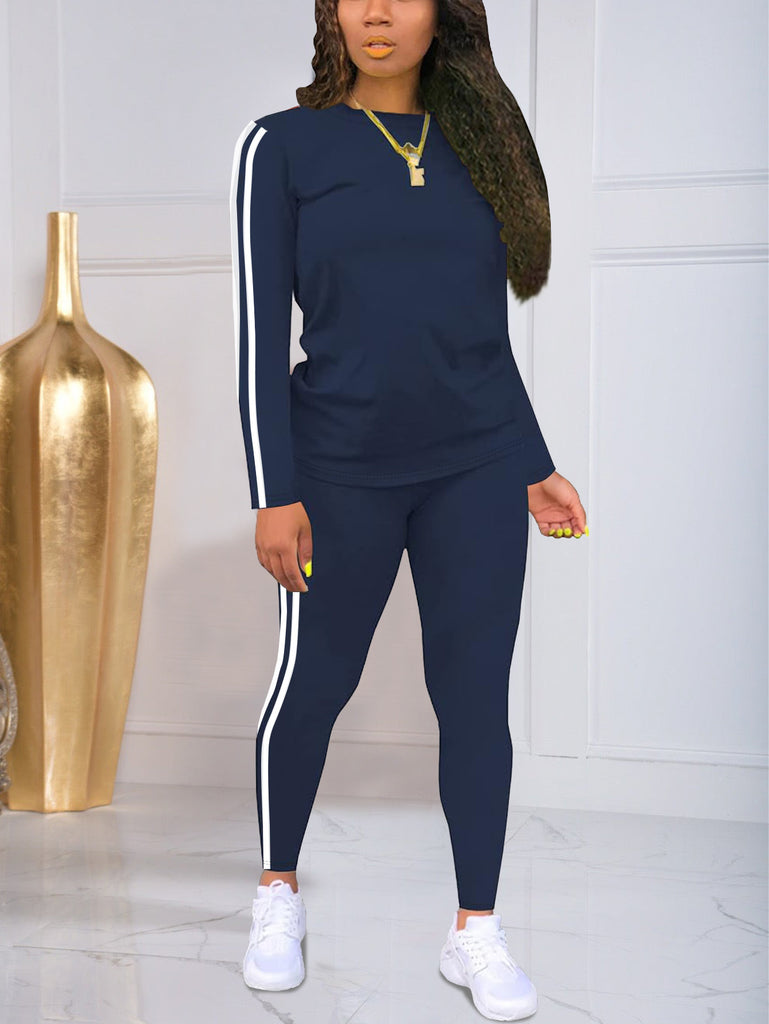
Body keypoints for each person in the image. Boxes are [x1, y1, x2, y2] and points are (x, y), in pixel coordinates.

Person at [230, 1, 587, 1019]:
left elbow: (481, 334)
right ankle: (277, 892)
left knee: (473, 697)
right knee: (315, 682)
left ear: (447, 13)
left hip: (475, 466)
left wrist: (532, 462)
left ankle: (475, 928)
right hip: (336, 471)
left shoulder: (483, 146)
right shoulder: (281, 146)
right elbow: (258, 334)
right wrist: (273, 492)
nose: (376, 11)